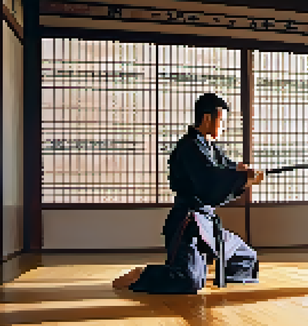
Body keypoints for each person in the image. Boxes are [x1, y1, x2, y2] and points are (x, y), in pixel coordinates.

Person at [112, 93, 264, 294]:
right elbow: (209, 182)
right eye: (222, 121)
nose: (224, 127)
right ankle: (144, 276)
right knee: (189, 281)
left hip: (208, 224)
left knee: (247, 259)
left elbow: (224, 168)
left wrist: (242, 171)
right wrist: (244, 180)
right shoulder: (189, 147)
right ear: (208, 118)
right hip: (188, 223)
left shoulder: (210, 148)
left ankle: (202, 266)